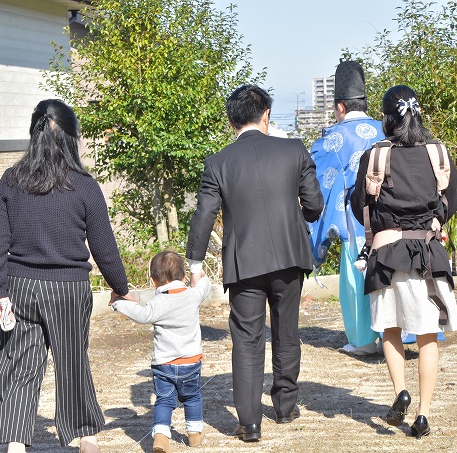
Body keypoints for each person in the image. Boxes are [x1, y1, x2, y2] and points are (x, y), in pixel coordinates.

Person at [0, 99, 135, 453]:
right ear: (70, 138)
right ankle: (87, 439)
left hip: (19, 288)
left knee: (19, 363)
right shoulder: (84, 186)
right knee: (72, 361)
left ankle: (16, 443)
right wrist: (121, 289)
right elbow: (105, 249)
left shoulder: (11, 180)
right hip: (68, 289)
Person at [185, 85, 323, 442]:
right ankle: (285, 406)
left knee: (246, 338)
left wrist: (195, 262)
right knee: (286, 329)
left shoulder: (218, 163)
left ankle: (249, 423)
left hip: (244, 261)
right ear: (266, 117)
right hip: (290, 256)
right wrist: (298, 215)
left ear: (232, 122)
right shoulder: (294, 150)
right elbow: (314, 205)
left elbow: (204, 215)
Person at [350, 85, 457, 439]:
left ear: (386, 118)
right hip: (429, 254)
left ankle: (400, 389)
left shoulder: (375, 157)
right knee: (428, 334)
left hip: (386, 256)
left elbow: (359, 205)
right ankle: (424, 414)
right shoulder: (438, 153)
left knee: (390, 329)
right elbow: (451, 203)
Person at [308, 60, 385, 356]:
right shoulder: (387, 128)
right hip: (395, 219)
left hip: (356, 223)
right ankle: (404, 333)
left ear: (339, 106)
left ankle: (364, 340)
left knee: (356, 280)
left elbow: (318, 187)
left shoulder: (332, 140)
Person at [110, 251, 211, 453]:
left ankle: (161, 437)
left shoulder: (158, 303)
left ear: (153, 281)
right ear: (183, 276)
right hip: (190, 362)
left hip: (164, 364)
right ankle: (194, 433)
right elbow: (204, 286)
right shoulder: (192, 295)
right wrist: (200, 276)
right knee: (192, 397)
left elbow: (141, 314)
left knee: (164, 400)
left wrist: (118, 303)